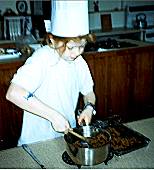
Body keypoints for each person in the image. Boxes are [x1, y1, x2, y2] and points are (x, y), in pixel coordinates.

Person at [6, 0, 96, 145]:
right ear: (53, 41)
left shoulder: (79, 61)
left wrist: (89, 107)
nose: (76, 53)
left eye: (82, 46)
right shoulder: (42, 58)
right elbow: (13, 93)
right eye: (71, 47)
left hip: (66, 138)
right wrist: (53, 116)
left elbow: (88, 92)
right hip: (36, 141)